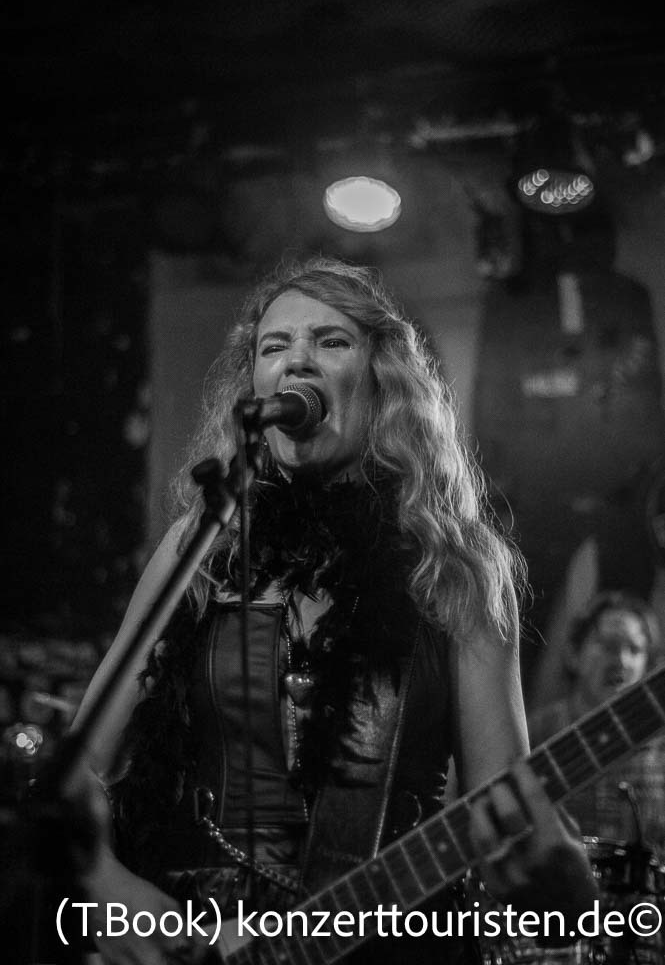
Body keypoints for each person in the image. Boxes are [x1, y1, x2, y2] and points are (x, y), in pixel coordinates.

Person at [72, 257, 597, 965]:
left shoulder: (456, 565)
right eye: (274, 346)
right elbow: (72, 775)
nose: (297, 361)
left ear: (382, 378)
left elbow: (508, 807)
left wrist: (557, 875)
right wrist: (112, 894)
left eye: (330, 341)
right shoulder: (201, 545)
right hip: (201, 942)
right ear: (253, 388)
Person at [529, 590, 665, 857]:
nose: (622, 661)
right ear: (573, 654)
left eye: (635, 650)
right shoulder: (536, 734)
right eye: (609, 646)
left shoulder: (660, 751)